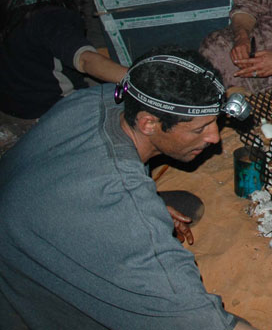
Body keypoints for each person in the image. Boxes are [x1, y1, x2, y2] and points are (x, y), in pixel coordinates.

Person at [0, 47, 257, 329]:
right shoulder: (121, 210)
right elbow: (200, 321)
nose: (214, 138)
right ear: (149, 123)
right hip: (20, 290)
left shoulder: (97, 99)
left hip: (32, 209)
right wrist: (134, 212)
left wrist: (143, 204)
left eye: (215, 122)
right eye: (199, 129)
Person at [0, 0, 127, 154]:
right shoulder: (51, 17)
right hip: (44, 114)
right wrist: (138, 80)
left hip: (11, 108)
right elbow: (87, 60)